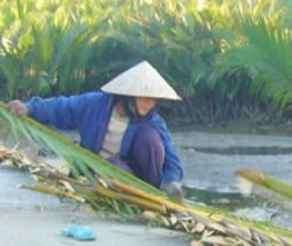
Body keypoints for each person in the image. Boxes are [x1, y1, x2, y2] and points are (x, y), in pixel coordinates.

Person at [8, 61, 186, 199]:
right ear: (129, 95)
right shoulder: (96, 105)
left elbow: (171, 157)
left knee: (151, 138)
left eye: (154, 99)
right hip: (96, 171)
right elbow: (61, 107)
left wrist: (171, 182)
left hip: (135, 177)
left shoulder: (153, 120)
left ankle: (150, 193)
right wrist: (29, 108)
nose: (150, 104)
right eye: (146, 98)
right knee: (115, 166)